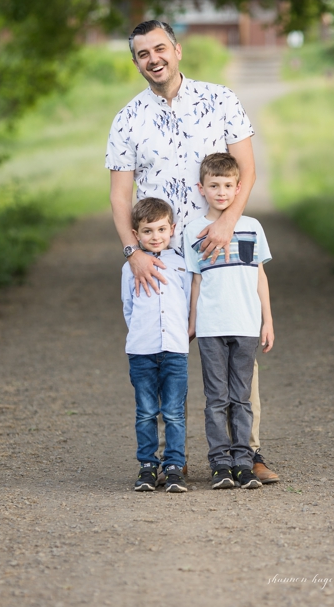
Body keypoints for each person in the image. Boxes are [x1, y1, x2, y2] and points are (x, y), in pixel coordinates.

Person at [106, 20, 280, 484]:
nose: (153, 58)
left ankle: (249, 452)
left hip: (213, 245)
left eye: (160, 48)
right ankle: (169, 459)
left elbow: (247, 170)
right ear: (137, 62)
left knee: (235, 341)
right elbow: (121, 197)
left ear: (177, 50)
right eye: (143, 53)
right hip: (160, 256)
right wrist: (133, 253)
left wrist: (225, 223)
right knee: (167, 353)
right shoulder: (128, 118)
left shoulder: (220, 99)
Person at [185, 153, 275, 490]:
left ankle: (243, 462)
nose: (221, 192)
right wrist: (192, 322)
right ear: (202, 188)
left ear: (239, 188)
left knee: (242, 398)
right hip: (211, 327)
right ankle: (220, 463)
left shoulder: (252, 227)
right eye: (214, 185)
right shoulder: (194, 230)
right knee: (216, 398)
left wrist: (267, 321)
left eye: (227, 185)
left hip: (246, 324)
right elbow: (195, 281)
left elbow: (259, 277)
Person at [122, 197, 193, 493]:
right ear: (136, 234)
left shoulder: (181, 263)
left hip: (175, 348)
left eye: (161, 229)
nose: (155, 236)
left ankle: (174, 466)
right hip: (142, 351)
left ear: (172, 228)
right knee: (146, 411)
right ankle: (148, 466)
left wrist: (184, 330)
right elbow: (128, 306)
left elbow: (189, 300)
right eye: (148, 231)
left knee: (174, 411)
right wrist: (142, 332)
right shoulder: (130, 267)